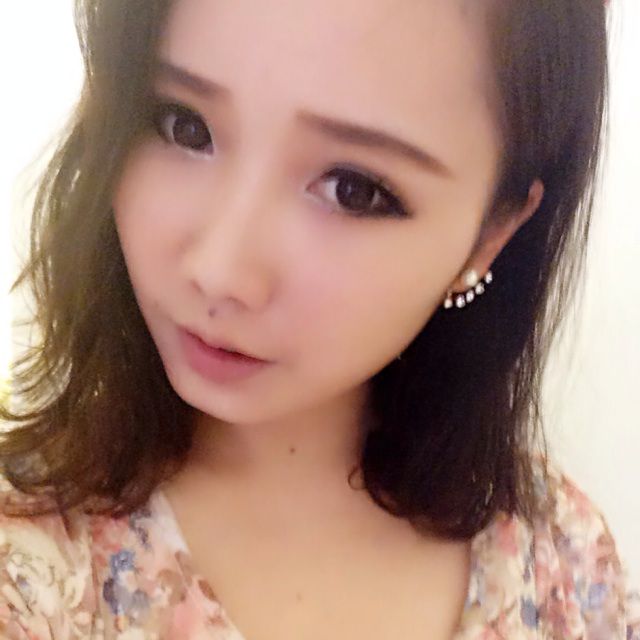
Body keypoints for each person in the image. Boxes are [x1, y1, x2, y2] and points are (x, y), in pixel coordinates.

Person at [0, 0, 638, 638]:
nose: (220, 271)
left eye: (354, 189)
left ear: (491, 234)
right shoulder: (30, 565)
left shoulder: (562, 551)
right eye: (183, 126)